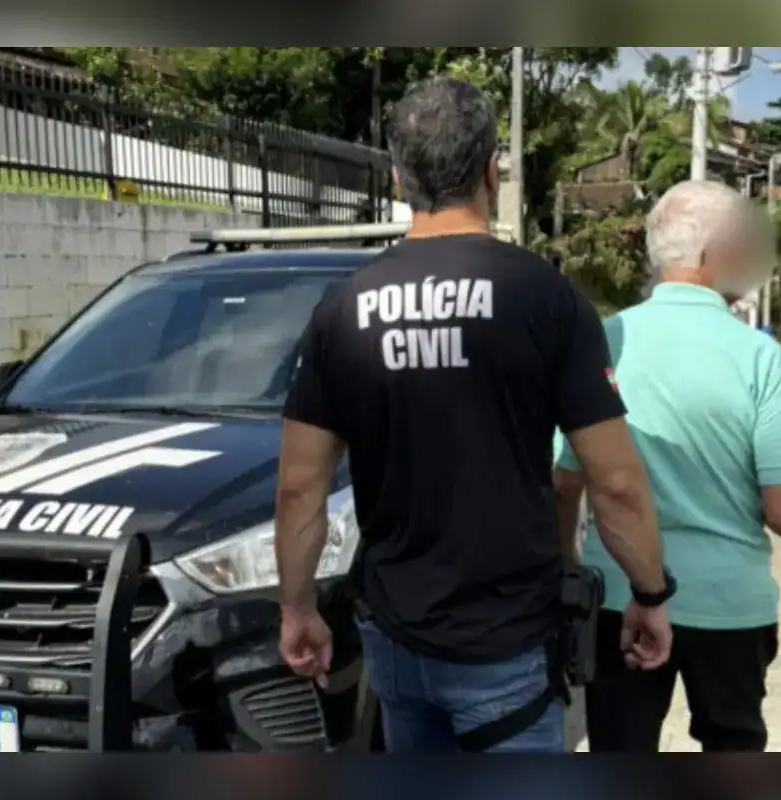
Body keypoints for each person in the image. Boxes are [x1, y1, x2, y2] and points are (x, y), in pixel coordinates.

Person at [272, 76, 675, 754]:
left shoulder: (342, 309)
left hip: (394, 639)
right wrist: (651, 594)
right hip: (508, 645)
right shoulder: (547, 299)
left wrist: (297, 606)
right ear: (492, 169)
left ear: (397, 178)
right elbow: (616, 482)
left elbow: (297, 487)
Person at [554, 179, 781, 753]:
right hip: (729, 604)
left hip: (618, 593)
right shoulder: (760, 356)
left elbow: (563, 482)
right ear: (713, 254)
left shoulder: (604, 339)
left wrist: (570, 565)